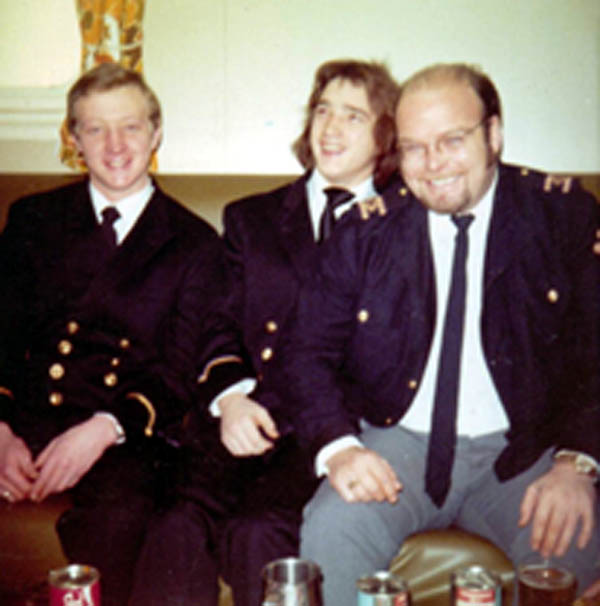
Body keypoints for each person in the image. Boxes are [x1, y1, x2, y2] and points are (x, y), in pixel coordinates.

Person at [282, 63, 600, 605]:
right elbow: (304, 352)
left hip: (520, 448)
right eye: (414, 148)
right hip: (397, 442)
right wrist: (340, 449)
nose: (433, 165)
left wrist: (578, 462)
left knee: (577, 549)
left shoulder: (560, 215)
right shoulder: (364, 232)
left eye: (452, 140)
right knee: (333, 531)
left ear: (493, 134)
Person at [128, 59, 400, 606]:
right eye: (322, 111)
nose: (331, 128)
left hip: (332, 432)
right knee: (176, 523)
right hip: (245, 416)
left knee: (260, 533)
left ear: (384, 135)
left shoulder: (404, 226)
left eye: (353, 116)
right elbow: (217, 323)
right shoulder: (252, 219)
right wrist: (229, 399)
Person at [0, 63, 249, 606]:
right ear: (74, 139)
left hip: (124, 435)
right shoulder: (33, 219)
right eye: (96, 129)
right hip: (24, 420)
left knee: (124, 513)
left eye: (131, 127)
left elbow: (179, 372)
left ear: (156, 133)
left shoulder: (194, 243)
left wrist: (103, 429)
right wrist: (0, 430)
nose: (115, 146)